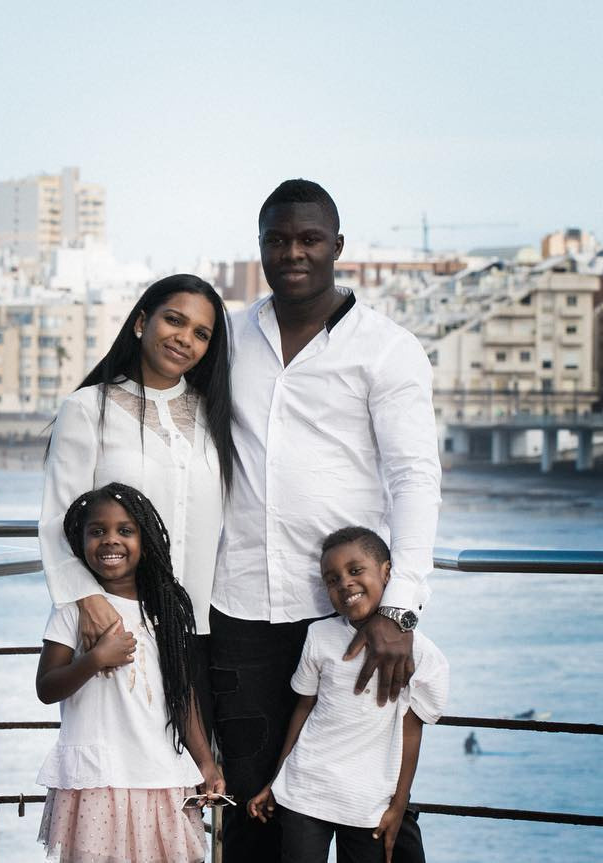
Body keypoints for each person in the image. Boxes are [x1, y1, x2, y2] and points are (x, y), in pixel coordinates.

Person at [211, 179, 443, 861]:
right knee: (255, 802)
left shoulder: (387, 347)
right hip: (243, 611)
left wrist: (399, 610)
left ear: (337, 246)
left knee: (374, 811)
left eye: (309, 239)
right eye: (278, 240)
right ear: (260, 247)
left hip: (353, 619)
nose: (293, 253)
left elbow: (415, 478)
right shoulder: (230, 338)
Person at [40, 273, 239, 733]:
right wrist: (87, 601)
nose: (184, 339)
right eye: (174, 321)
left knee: (197, 779)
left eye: (201, 334)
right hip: (119, 626)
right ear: (141, 322)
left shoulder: (217, 416)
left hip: (202, 629)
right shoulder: (88, 408)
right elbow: (57, 516)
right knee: (124, 772)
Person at [35, 483, 226, 863]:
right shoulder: (74, 610)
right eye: (97, 531)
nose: (110, 541)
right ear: (80, 539)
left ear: (146, 540)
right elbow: (46, 687)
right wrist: (94, 659)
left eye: (125, 531)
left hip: (161, 776)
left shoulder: (166, 611)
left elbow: (181, 693)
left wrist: (204, 760)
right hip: (99, 781)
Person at [247, 527, 449, 863]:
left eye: (356, 571)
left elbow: (411, 733)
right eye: (332, 579)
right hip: (305, 789)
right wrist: (277, 779)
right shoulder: (319, 635)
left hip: (368, 800)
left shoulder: (421, 654)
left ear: (387, 573)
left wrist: (398, 806)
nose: (345, 584)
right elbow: (304, 709)